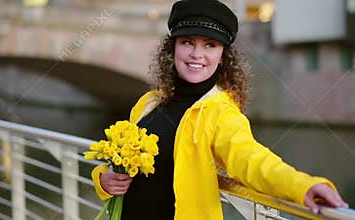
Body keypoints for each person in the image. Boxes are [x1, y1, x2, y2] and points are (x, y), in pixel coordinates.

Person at [91, 0, 348, 219]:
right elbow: (117, 165)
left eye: (209, 45)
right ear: (173, 48)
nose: (196, 54)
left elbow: (253, 160)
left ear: (222, 55)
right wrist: (103, 179)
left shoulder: (221, 113)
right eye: (187, 42)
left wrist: (303, 187)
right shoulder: (148, 103)